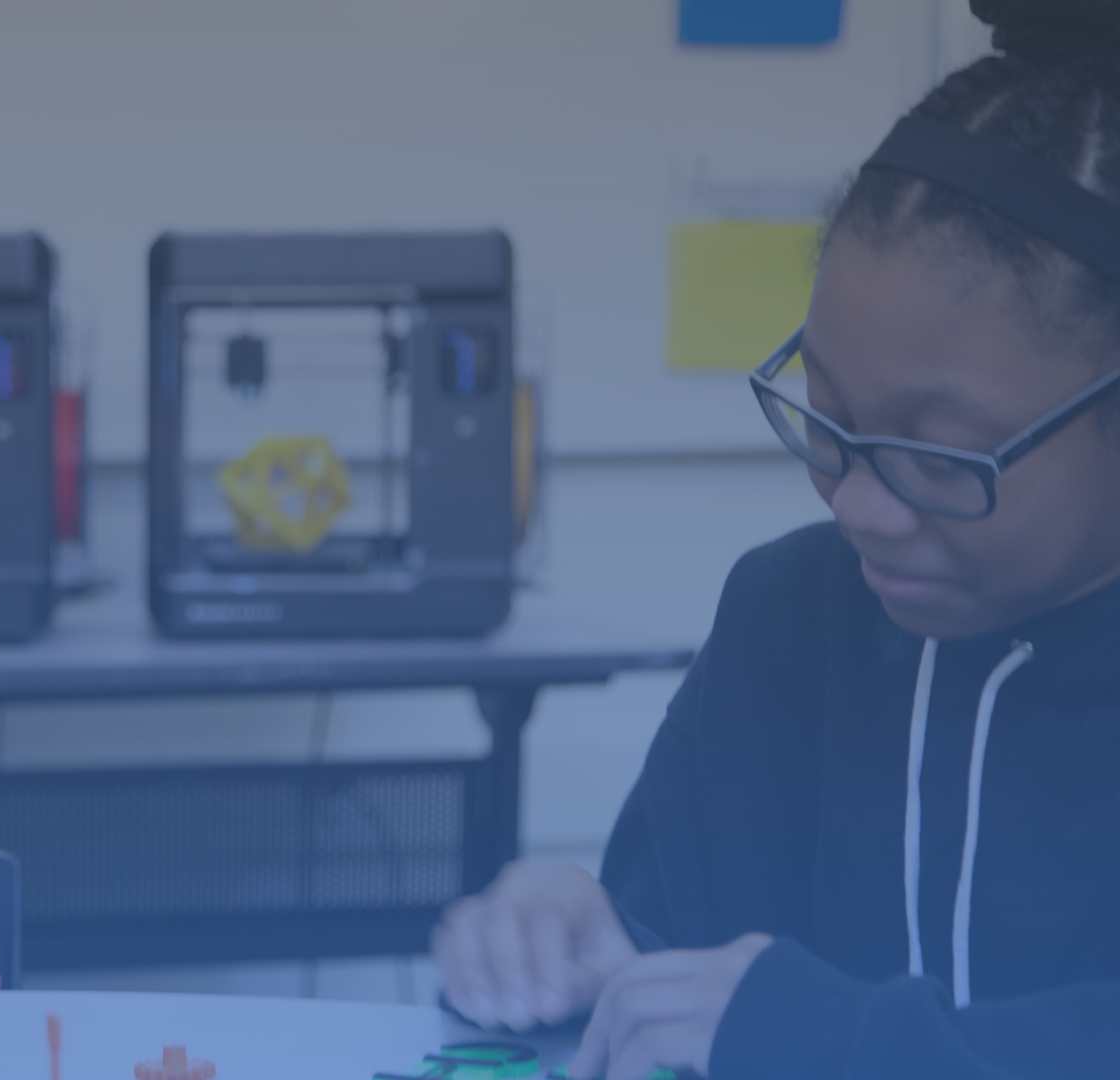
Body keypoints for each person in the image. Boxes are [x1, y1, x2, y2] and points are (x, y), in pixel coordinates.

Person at [434, 2, 1120, 1077]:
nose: (858, 507)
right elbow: (697, 955)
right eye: (829, 417)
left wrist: (838, 1042)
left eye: (944, 459)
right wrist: (596, 943)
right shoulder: (790, 616)